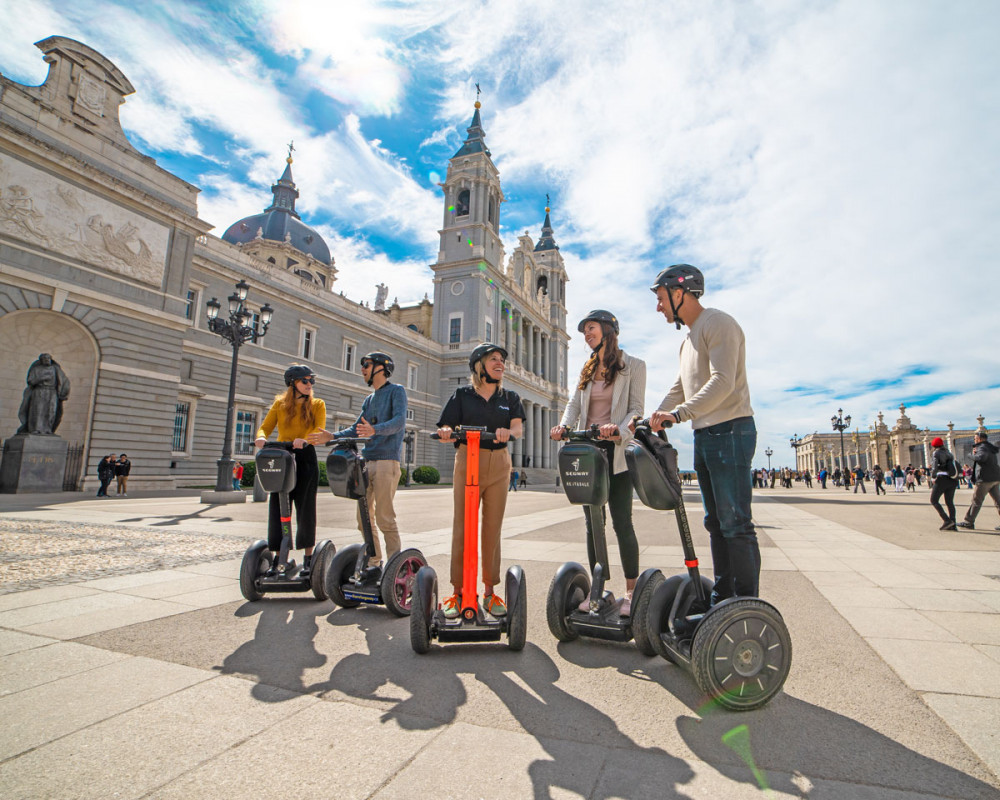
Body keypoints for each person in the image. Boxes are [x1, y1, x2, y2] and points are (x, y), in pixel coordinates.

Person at [647, 264, 761, 603]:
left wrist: (679, 414)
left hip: (731, 430)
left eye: (661, 298)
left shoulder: (718, 323)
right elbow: (681, 386)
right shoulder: (687, 341)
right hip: (705, 434)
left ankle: (745, 602)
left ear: (679, 292)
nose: (659, 306)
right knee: (715, 523)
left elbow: (722, 381)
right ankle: (723, 598)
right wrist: (651, 417)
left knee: (736, 523)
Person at [551, 309, 646, 616]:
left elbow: (636, 410)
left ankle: (631, 593)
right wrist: (564, 426)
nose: (586, 335)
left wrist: (617, 430)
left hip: (616, 454)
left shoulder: (634, 366)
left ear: (607, 329)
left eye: (590, 328)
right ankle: (599, 587)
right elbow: (573, 404)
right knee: (594, 526)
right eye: (584, 331)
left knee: (622, 523)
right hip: (589, 454)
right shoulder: (588, 368)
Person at [436, 343, 525, 618]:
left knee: (492, 528)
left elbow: (518, 428)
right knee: (462, 526)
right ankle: (459, 591)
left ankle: (489, 591)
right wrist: (447, 431)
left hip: (499, 464)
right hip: (467, 459)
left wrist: (507, 431)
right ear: (479, 366)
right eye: (494, 359)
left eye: (502, 360)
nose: (500, 364)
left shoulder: (509, 397)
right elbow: (446, 425)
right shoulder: (462, 395)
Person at [308, 352, 407, 570]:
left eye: (367, 365)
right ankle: (373, 562)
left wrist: (375, 430)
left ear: (381, 368)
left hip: (386, 462)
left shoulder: (396, 391)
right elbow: (356, 428)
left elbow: (399, 422)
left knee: (384, 518)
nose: (362, 369)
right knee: (363, 519)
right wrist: (332, 437)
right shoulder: (369, 399)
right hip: (367, 462)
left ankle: (396, 567)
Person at [254, 365, 326, 578]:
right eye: (305, 381)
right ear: (292, 383)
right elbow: (265, 427)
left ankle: (308, 558)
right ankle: (278, 557)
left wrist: (305, 439)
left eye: (311, 381)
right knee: (277, 507)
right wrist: (261, 438)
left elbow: (319, 430)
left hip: (305, 457)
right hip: (283, 457)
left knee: (305, 509)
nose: (309, 384)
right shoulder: (280, 404)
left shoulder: (317, 404)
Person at [16, 353, 71, 435]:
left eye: (48, 358)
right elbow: (31, 381)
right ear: (41, 360)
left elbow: (64, 380)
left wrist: (64, 392)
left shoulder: (55, 369)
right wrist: (42, 378)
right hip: (39, 391)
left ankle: (48, 429)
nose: (47, 360)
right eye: (45, 358)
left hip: (52, 392)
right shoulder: (36, 369)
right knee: (38, 410)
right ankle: (35, 429)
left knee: (51, 411)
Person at [957, 432, 1000, 531]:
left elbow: (981, 458)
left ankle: (969, 522)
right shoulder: (990, 447)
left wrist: (971, 454)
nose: (974, 440)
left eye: (975, 438)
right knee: (998, 502)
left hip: (984, 479)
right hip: (994, 478)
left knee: (976, 501)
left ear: (980, 439)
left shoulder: (982, 447)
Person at [929, 437, 959, 530]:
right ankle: (953, 523)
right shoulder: (949, 453)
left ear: (934, 445)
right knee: (949, 502)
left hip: (941, 478)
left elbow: (934, 467)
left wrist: (933, 477)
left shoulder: (936, 453)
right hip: (952, 479)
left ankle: (947, 520)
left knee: (934, 500)